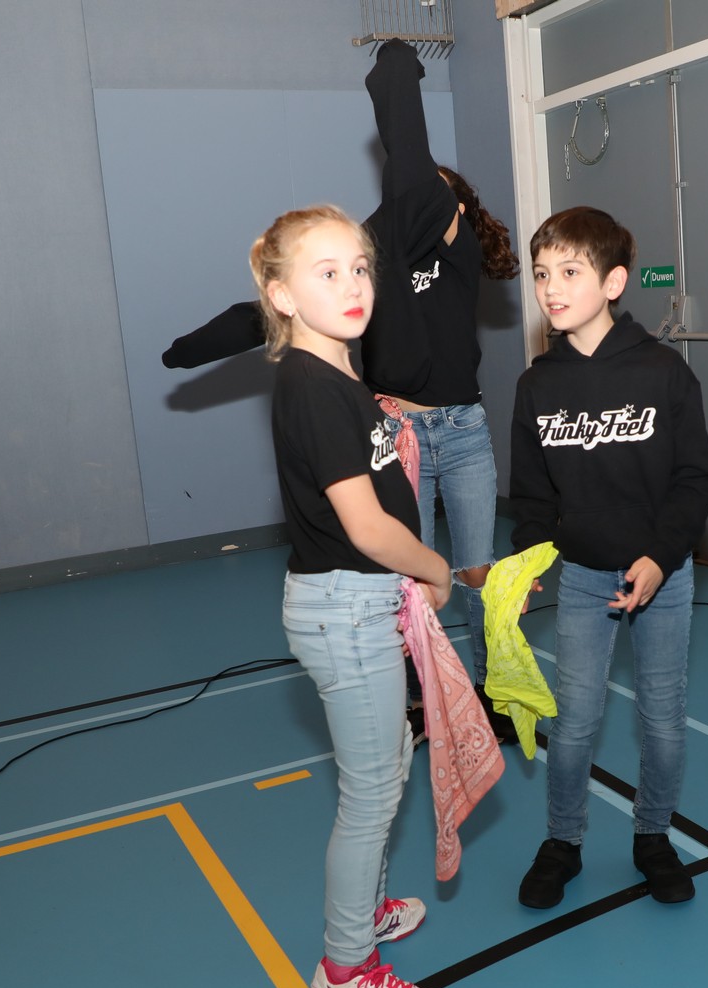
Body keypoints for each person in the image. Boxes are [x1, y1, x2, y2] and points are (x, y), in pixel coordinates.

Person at [162, 39, 519, 741]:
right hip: (398, 433)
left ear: (454, 207)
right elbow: (262, 314)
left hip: (463, 433)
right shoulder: (369, 272)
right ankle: (418, 700)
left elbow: (412, 173)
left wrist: (397, 69)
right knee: (406, 579)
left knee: (478, 574)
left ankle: (496, 692)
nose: (423, 203)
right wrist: (186, 351)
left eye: (436, 196)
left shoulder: (458, 251)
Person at [253, 203, 448, 988]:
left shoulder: (338, 378)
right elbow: (366, 528)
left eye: (360, 267)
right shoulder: (311, 386)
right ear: (282, 295)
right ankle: (346, 972)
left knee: (390, 760)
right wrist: (436, 568)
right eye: (326, 272)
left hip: (362, 604)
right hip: (347, 612)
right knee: (370, 796)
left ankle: (363, 912)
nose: (353, 284)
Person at [506, 207, 708, 908]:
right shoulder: (537, 384)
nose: (550, 288)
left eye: (569, 272)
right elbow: (531, 497)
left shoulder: (664, 373)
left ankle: (652, 835)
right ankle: (562, 841)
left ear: (613, 282)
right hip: (581, 578)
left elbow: (698, 479)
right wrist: (527, 564)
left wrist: (661, 557)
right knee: (573, 721)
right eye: (542, 274)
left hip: (663, 575)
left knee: (662, 717)